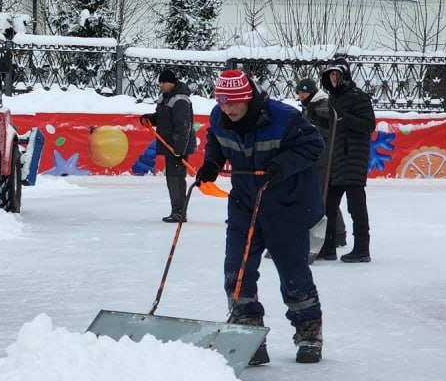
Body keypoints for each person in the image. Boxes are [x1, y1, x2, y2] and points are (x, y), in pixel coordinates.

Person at [195, 69, 326, 364]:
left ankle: (309, 332)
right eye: (223, 103)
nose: (228, 109)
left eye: (234, 102)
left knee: (294, 275)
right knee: (237, 271)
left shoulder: (283, 117)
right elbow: (215, 140)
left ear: (248, 97)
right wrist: (212, 162)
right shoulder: (219, 118)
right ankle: (248, 332)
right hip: (244, 204)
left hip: (287, 206)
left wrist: (283, 164)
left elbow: (314, 145)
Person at [318, 62, 376, 263]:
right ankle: (328, 247)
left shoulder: (358, 97)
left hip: (353, 159)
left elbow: (368, 125)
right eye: (331, 76)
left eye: (336, 75)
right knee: (328, 206)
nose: (333, 79)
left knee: (356, 207)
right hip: (336, 160)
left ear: (344, 76)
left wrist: (343, 117)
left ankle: (362, 249)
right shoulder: (333, 98)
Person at [295, 77, 347, 251]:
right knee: (321, 196)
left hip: (324, 158)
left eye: (304, 92)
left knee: (323, 196)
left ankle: (336, 235)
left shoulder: (322, 106)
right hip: (314, 158)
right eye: (299, 93)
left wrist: (309, 127)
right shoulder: (309, 107)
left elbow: (327, 131)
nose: (301, 96)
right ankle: (337, 235)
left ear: (312, 92)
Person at [140, 67, 197, 223]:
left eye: (164, 82)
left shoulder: (180, 101)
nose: (161, 85)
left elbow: (183, 126)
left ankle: (179, 212)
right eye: (160, 82)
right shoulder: (165, 98)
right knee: (172, 179)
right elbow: (161, 118)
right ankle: (177, 210)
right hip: (170, 146)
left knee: (176, 180)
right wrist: (149, 119)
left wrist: (179, 150)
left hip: (178, 147)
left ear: (172, 83)